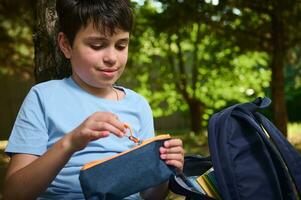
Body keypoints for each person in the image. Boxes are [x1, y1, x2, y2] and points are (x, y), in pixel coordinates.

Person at [3, 0, 184, 199]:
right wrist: (71, 142)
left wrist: (165, 167)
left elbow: (152, 196)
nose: (112, 58)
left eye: (121, 45)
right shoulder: (43, 97)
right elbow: (14, 194)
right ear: (66, 45)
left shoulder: (138, 105)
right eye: (97, 45)